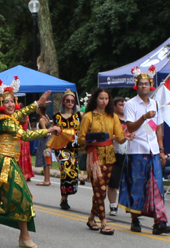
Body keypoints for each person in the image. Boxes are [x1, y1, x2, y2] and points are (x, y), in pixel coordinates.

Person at [0, 77, 61, 248]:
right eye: (6, 102)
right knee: (17, 197)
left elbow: (19, 114)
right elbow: (25, 136)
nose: (10, 105)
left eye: (12, 101)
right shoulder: (4, 120)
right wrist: (49, 130)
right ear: (1, 103)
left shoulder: (9, 118)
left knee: (22, 197)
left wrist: (37, 103)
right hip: (5, 162)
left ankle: (23, 236)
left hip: (8, 161)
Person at [119, 66, 170, 235]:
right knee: (138, 185)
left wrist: (162, 149)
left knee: (156, 185)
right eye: (141, 84)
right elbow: (130, 127)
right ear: (137, 86)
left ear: (151, 86)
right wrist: (144, 117)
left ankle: (160, 221)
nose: (144, 86)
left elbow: (156, 129)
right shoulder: (130, 104)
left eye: (147, 83)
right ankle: (135, 219)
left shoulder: (155, 104)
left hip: (153, 151)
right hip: (137, 150)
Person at [78, 88, 133, 235]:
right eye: (101, 98)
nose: (104, 101)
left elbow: (119, 137)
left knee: (100, 190)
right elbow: (80, 138)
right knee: (100, 188)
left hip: (109, 155)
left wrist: (126, 137)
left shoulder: (112, 116)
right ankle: (103, 222)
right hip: (94, 154)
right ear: (96, 99)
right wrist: (89, 141)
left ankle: (91, 218)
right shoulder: (88, 116)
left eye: (106, 99)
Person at [53, 89, 82, 210]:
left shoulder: (78, 116)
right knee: (65, 171)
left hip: (74, 148)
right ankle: (64, 198)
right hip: (61, 147)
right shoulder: (57, 116)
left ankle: (67, 194)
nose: (70, 103)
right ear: (63, 102)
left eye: (72, 101)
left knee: (73, 172)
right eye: (67, 100)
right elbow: (54, 133)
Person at [107, 97, 129, 216]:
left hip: (129, 152)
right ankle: (113, 205)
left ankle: (131, 205)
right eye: (121, 105)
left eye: (125, 105)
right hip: (115, 152)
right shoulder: (112, 119)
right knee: (113, 181)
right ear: (115, 106)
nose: (123, 107)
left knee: (130, 180)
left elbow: (148, 131)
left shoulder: (132, 119)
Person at [35, 105, 52, 186]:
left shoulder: (42, 119)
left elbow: (45, 132)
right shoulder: (46, 117)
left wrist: (38, 133)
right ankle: (47, 179)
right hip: (48, 140)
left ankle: (46, 180)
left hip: (44, 140)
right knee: (47, 159)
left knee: (45, 159)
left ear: (39, 109)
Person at [18, 113, 34, 181]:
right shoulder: (27, 117)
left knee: (20, 157)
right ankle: (28, 174)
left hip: (19, 139)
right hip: (26, 140)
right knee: (26, 157)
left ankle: (21, 174)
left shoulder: (17, 118)